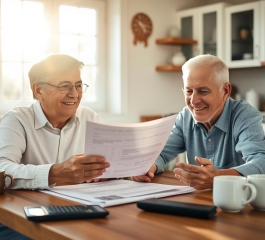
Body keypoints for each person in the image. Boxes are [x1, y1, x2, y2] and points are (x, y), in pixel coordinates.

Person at [0, 54, 110, 240]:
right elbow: (2, 169)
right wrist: (54, 173)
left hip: (79, 212)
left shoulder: (90, 118)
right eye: (64, 86)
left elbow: (108, 164)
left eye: (77, 85)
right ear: (38, 90)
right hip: (22, 217)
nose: (74, 94)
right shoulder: (16, 120)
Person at [132, 54, 265, 190]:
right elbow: (160, 153)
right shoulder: (185, 117)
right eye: (189, 91)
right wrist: (147, 167)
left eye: (203, 91)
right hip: (199, 201)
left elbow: (261, 161)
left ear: (225, 91)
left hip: (240, 201)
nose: (194, 101)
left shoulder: (244, 115)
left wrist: (218, 177)